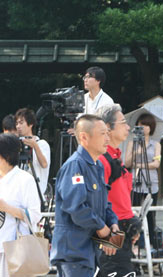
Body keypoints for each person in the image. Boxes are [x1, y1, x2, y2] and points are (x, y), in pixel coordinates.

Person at [50, 115, 119, 277]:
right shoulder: (75, 166)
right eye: (103, 134)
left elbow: (104, 203)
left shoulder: (98, 165)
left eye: (108, 133)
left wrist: (113, 224)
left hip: (89, 252)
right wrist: (103, 228)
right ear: (84, 137)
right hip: (74, 253)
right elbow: (76, 208)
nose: (107, 138)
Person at [0, 133, 42, 277]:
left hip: (15, 245)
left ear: (6, 155)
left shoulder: (25, 180)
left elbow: (35, 214)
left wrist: (7, 208)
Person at [95, 104, 140, 276]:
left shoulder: (115, 157)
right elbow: (98, 201)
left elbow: (121, 198)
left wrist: (133, 225)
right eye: (123, 122)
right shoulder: (101, 159)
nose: (128, 127)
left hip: (121, 227)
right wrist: (105, 236)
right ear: (108, 128)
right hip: (111, 229)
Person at [125, 113, 162, 247]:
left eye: (146, 125)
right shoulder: (132, 143)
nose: (143, 128)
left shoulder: (156, 144)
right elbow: (127, 163)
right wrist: (137, 153)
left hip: (151, 183)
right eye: (140, 125)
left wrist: (138, 164)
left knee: (151, 215)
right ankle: (133, 243)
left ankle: (152, 244)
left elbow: (156, 164)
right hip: (135, 182)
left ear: (151, 127)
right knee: (134, 213)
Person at [15, 108, 51, 195]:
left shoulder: (42, 144)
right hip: (19, 191)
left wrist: (35, 146)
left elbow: (44, 164)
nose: (18, 126)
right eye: (16, 123)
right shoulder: (16, 144)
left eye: (21, 123)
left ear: (30, 124)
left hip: (36, 192)